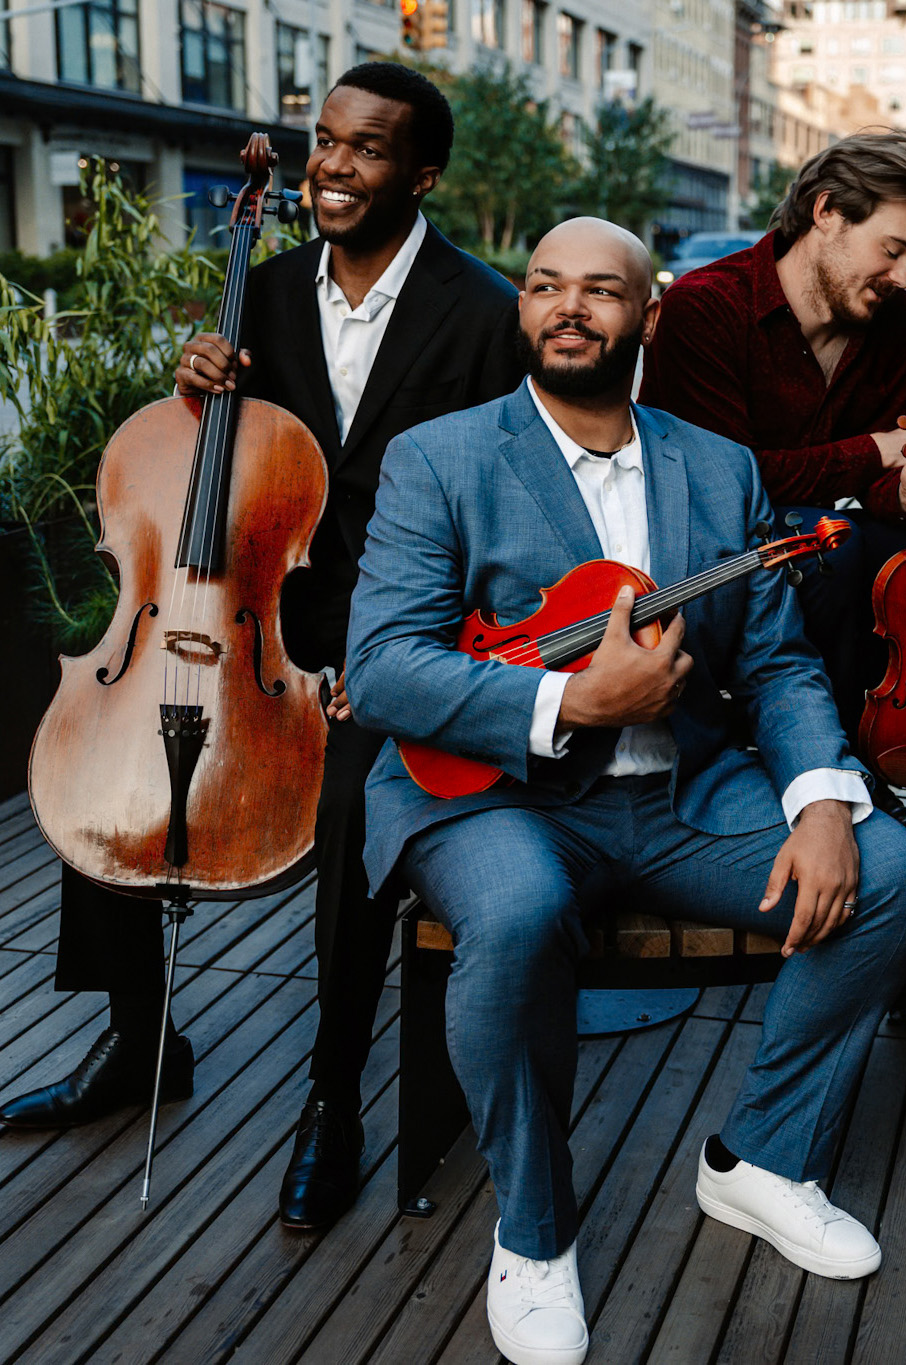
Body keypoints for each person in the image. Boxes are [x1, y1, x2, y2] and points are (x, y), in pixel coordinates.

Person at [344, 217, 906, 1365]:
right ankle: (534, 1233)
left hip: (683, 795)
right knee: (517, 913)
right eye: (544, 286)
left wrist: (823, 801)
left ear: (649, 317)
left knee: (891, 876)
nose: (568, 307)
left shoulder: (716, 466)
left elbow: (777, 662)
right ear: (524, 307)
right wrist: (569, 703)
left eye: (600, 290)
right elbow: (381, 669)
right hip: (495, 794)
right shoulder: (442, 457)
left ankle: (762, 1159)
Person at [0, 62, 524, 1233]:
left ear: (423, 174)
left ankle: (332, 1097)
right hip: (254, 628)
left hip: (392, 640)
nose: (332, 165)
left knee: (352, 812)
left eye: (368, 149)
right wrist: (196, 388)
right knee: (108, 761)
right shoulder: (268, 290)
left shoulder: (485, 312)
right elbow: (220, 477)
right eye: (325, 140)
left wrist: (410, 660)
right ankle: (141, 1039)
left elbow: (500, 515)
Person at [638, 131, 906, 852]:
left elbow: (883, 474)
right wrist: (873, 453)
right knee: (835, 552)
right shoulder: (706, 307)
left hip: (817, 535)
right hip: (705, 556)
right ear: (826, 213)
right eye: (893, 250)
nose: (905, 276)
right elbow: (724, 482)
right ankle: (836, 766)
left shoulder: (895, 322)